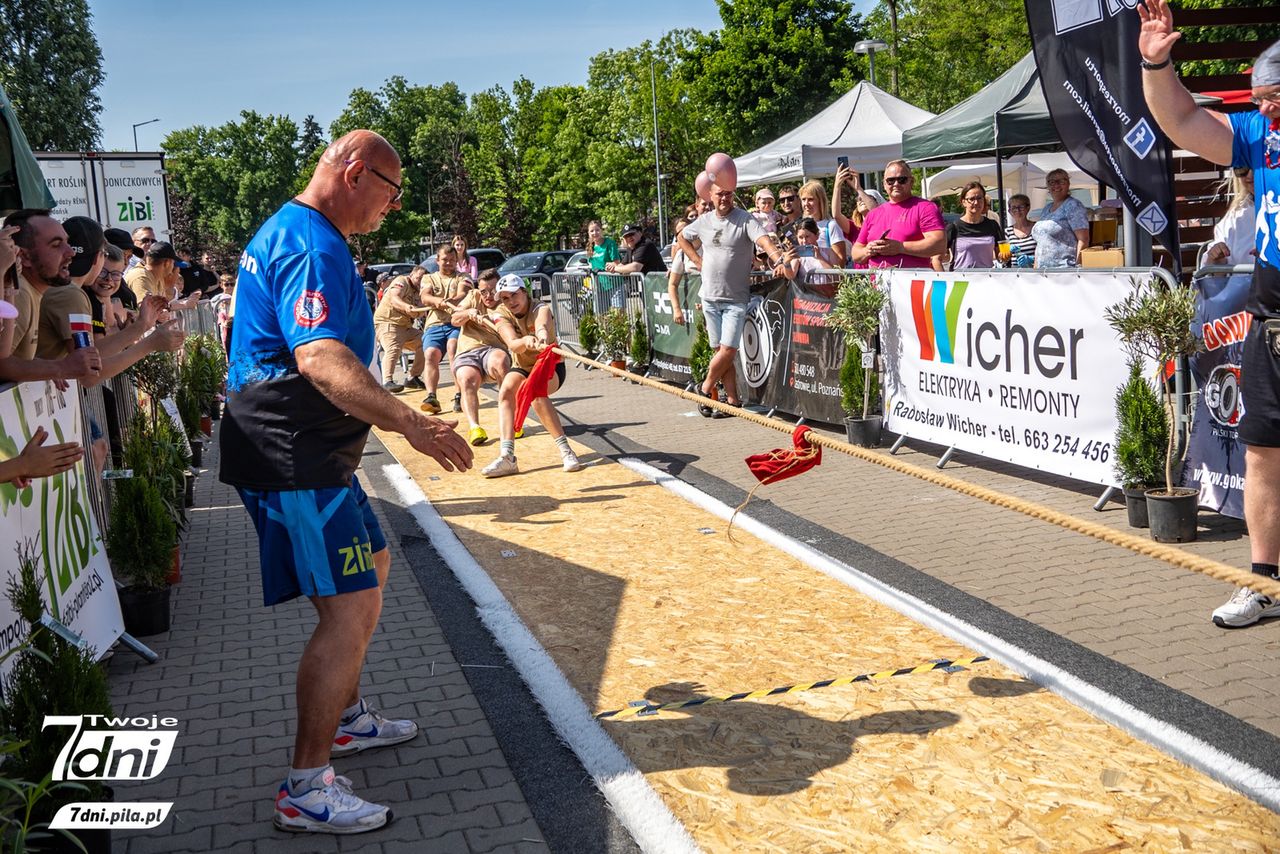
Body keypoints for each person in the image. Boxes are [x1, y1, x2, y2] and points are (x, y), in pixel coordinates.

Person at [220, 129, 473, 834]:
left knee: (377, 562)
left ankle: (349, 719)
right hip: (290, 449)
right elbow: (323, 360)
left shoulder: (306, 231)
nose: (392, 209)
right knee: (350, 608)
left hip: (312, 450)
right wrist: (412, 424)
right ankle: (306, 784)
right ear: (357, 173)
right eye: (391, 193)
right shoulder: (309, 241)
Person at [1138, 5, 1280, 627]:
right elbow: (1184, 120)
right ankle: (1263, 584)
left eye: (1274, 99)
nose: (1265, 111)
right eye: (1260, 102)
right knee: (1262, 450)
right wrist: (1156, 62)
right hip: (1272, 312)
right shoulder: (1262, 135)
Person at [677, 177, 783, 416]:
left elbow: (763, 240)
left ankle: (704, 387)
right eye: (719, 194)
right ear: (710, 197)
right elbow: (682, 237)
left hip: (735, 298)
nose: (724, 198)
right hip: (709, 297)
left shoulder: (745, 219)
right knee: (720, 352)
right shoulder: (703, 221)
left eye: (728, 193)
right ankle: (734, 401)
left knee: (729, 350)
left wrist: (778, 257)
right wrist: (696, 260)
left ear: (733, 194)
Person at [480, 274, 582, 476]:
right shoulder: (500, 313)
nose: (511, 301)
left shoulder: (540, 308)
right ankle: (507, 456)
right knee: (507, 390)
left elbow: (542, 325)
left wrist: (540, 337)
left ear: (524, 292)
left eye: (514, 295)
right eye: (505, 298)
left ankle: (566, 451)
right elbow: (512, 344)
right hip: (523, 365)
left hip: (549, 366)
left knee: (534, 391)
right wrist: (525, 341)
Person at [448, 268, 510, 446]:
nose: (488, 295)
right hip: (468, 351)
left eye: (492, 291)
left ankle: (511, 418)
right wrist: (468, 313)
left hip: (493, 349)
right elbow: (455, 318)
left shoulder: (506, 301)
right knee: (467, 378)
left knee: (500, 361)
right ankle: (475, 427)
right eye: (484, 291)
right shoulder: (473, 296)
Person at [851, 160, 946, 269]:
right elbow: (855, 253)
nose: (896, 184)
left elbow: (939, 244)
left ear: (911, 182)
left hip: (912, 282)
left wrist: (901, 247)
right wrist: (868, 250)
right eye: (890, 180)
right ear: (884, 184)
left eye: (902, 179)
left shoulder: (925, 207)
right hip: (877, 283)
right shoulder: (874, 214)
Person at [417, 244, 469, 414]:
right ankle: (431, 396)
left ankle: (459, 395)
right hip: (434, 324)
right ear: (437, 260)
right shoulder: (428, 278)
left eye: (452, 260)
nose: (448, 263)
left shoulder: (463, 277)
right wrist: (437, 301)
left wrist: (450, 301)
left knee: (453, 349)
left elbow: (463, 293)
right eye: (445, 260)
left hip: (456, 322)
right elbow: (425, 297)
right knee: (431, 355)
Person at [372, 265, 429, 392]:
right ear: (412, 275)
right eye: (418, 278)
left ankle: (412, 377)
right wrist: (406, 306)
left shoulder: (420, 291)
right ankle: (387, 381)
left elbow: (420, 310)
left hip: (405, 327)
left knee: (426, 342)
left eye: (423, 280)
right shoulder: (401, 281)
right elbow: (394, 298)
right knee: (394, 347)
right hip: (387, 323)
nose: (420, 282)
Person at [1031, 169, 1089, 267]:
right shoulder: (1046, 208)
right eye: (1052, 182)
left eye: (1061, 181)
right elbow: (1041, 241)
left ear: (1068, 184)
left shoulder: (1073, 206)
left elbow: (1084, 239)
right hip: (1043, 272)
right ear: (1048, 186)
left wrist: (1078, 267)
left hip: (1064, 271)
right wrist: (1036, 268)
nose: (1056, 185)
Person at [1205, 168, 1256, 274]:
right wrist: (1216, 258)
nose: (1250, 175)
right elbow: (1215, 281)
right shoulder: (1235, 216)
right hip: (1240, 288)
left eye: (1257, 166)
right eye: (1242, 167)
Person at [831, 165, 882, 268]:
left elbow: (876, 213)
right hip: (861, 278)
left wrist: (858, 188)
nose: (861, 200)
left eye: (868, 197)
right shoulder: (855, 227)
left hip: (879, 274)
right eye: (858, 198)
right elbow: (836, 215)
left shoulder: (882, 223)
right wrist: (837, 185)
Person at [945, 181, 1003, 269]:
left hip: (986, 279)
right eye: (971, 199)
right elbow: (936, 258)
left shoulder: (992, 225)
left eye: (979, 198)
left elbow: (1001, 256)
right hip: (962, 280)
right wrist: (944, 279)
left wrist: (1005, 256)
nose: (976, 203)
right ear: (963, 202)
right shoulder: (953, 227)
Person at [797, 180, 849, 268]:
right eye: (803, 199)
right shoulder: (799, 226)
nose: (806, 203)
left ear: (820, 201)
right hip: (805, 278)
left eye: (810, 199)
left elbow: (841, 259)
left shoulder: (831, 225)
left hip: (826, 278)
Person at [774, 217, 837, 284]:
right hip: (807, 293)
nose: (804, 241)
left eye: (807, 236)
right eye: (800, 237)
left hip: (826, 292)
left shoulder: (829, 252)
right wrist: (786, 263)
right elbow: (791, 276)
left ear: (817, 235)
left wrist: (820, 258)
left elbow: (836, 276)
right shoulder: (797, 254)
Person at [585, 220, 624, 313]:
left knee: (618, 314)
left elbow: (617, 262)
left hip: (614, 284)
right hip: (598, 286)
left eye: (597, 230)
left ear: (602, 230)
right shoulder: (590, 247)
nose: (595, 233)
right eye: (592, 231)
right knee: (601, 315)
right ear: (588, 233)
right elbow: (591, 265)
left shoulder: (609, 243)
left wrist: (612, 265)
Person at [1004, 193, 1037, 267]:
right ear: (1009, 211)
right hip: (1016, 276)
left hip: (1035, 274)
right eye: (1014, 208)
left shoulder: (1037, 228)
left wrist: (1031, 259)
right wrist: (1007, 253)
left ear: (1028, 208)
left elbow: (1045, 254)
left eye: (1021, 207)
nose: (1017, 210)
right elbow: (1004, 260)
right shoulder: (1007, 232)